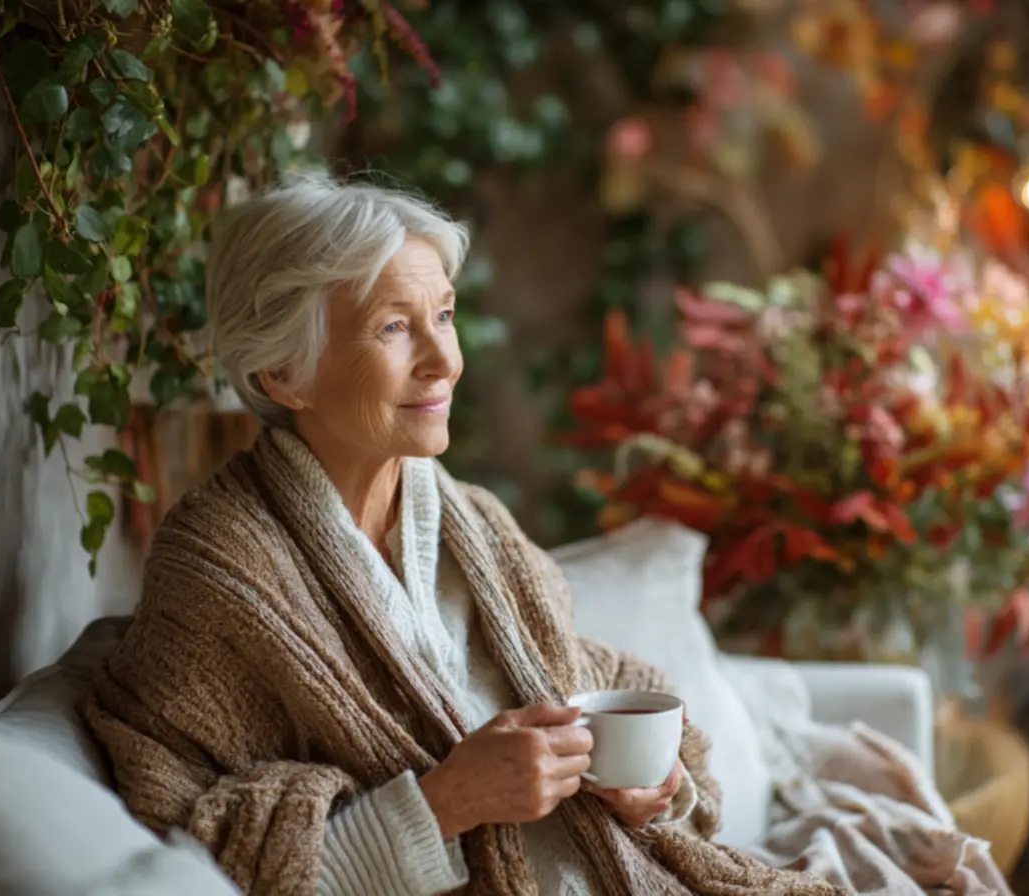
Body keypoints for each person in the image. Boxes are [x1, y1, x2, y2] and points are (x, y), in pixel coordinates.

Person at [81, 175, 838, 896]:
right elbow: (207, 862)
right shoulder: (217, 567)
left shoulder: (474, 522)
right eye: (393, 327)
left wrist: (657, 792)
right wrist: (446, 802)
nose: (445, 361)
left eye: (443, 316)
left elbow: (595, 688)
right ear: (282, 373)